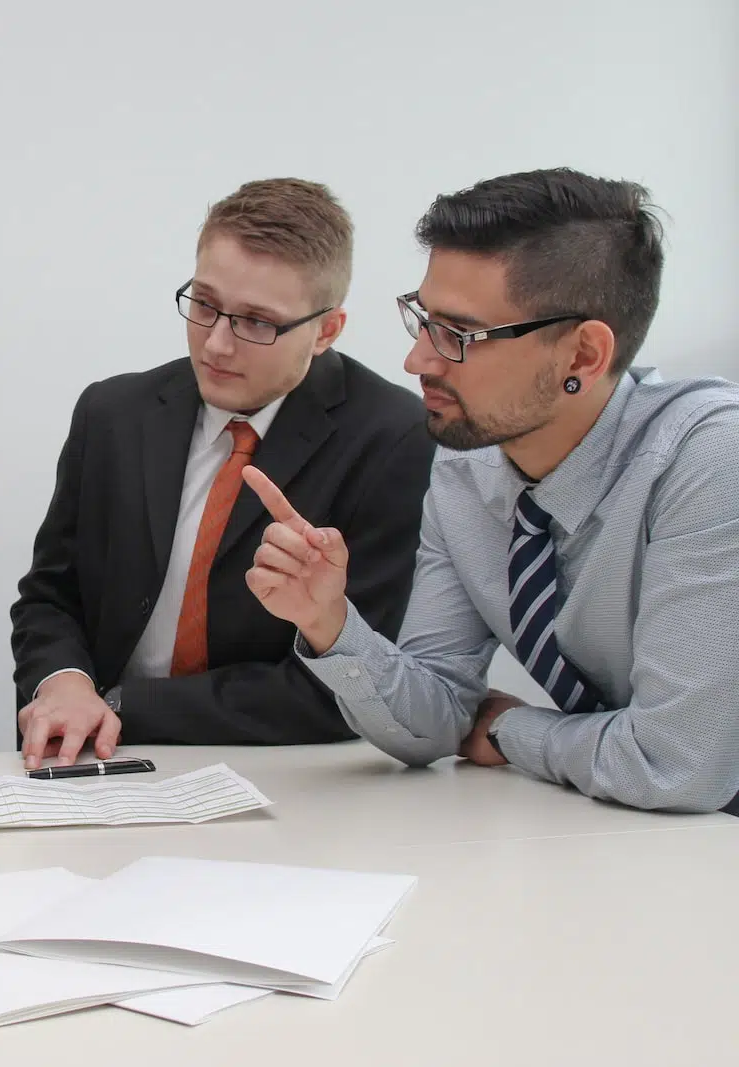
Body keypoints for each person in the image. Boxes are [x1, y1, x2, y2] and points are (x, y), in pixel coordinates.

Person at [246, 167, 739, 814]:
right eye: (422, 320)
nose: (417, 360)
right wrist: (330, 622)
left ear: (583, 357)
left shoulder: (707, 460)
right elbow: (437, 719)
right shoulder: (467, 467)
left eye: (457, 335)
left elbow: (674, 766)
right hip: (637, 839)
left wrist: (511, 730)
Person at [9, 179, 433, 769]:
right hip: (96, 760)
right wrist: (63, 684)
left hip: (291, 774)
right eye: (204, 304)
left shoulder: (394, 439)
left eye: (257, 322)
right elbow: (50, 596)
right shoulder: (112, 414)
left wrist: (125, 704)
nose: (216, 343)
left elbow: (350, 682)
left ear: (327, 331)